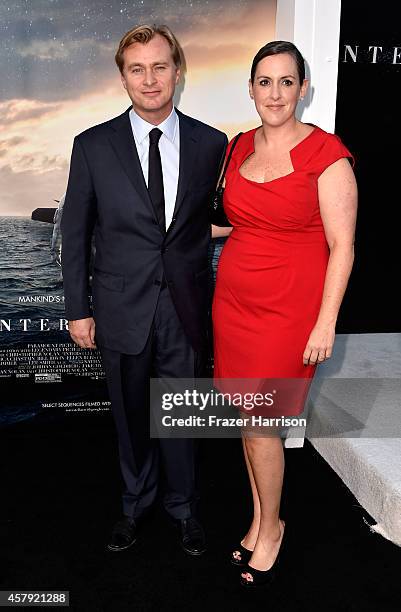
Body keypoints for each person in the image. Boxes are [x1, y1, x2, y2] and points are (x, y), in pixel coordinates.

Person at [61, 24, 227, 556]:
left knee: (181, 411)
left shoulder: (211, 143)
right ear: (123, 77)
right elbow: (76, 231)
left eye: (160, 66)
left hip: (184, 304)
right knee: (132, 417)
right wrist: (78, 310)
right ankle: (134, 505)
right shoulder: (91, 145)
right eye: (137, 69)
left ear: (178, 71)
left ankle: (183, 508)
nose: (150, 79)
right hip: (119, 307)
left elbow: (211, 220)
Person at [212, 40, 357, 587]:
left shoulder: (327, 154)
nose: (275, 93)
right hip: (235, 304)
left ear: (303, 89)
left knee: (260, 424)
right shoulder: (238, 146)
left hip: (290, 310)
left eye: (287, 81)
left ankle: (272, 530)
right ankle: (258, 519)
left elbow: (342, 246)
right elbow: (230, 222)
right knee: (249, 425)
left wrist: (326, 322)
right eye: (265, 82)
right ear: (251, 89)